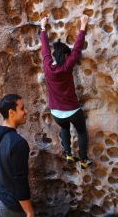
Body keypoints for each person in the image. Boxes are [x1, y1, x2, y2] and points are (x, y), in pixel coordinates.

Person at [40, 15, 93, 169]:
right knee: (82, 132)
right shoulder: (67, 66)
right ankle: (83, 160)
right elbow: (77, 48)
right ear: (65, 55)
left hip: (56, 113)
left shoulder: (48, 66)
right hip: (72, 110)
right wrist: (83, 25)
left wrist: (43, 28)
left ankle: (69, 154)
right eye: (67, 54)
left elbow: (45, 48)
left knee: (64, 128)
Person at [0, 94, 35, 217]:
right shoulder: (18, 143)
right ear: (11, 112)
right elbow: (20, 182)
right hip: (9, 207)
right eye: (22, 108)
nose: (26, 111)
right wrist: (29, 212)